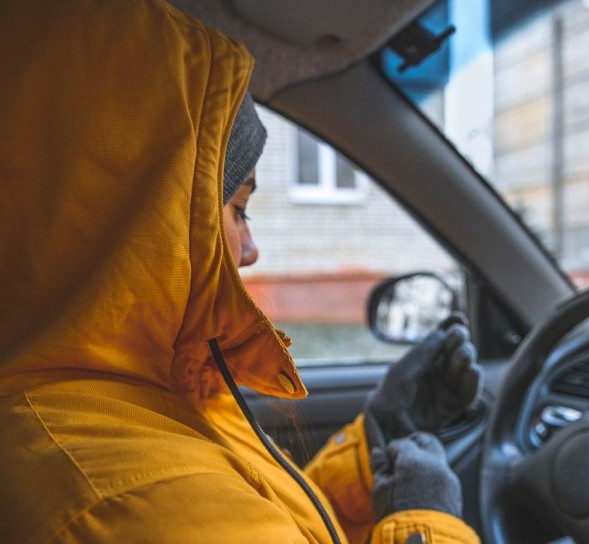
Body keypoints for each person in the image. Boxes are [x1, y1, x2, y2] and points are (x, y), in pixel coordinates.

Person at [0, 2, 482, 543]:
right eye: (239, 209)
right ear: (135, 215)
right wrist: (424, 523)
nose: (250, 249)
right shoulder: (141, 502)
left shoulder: (113, 423)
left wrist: (375, 444)